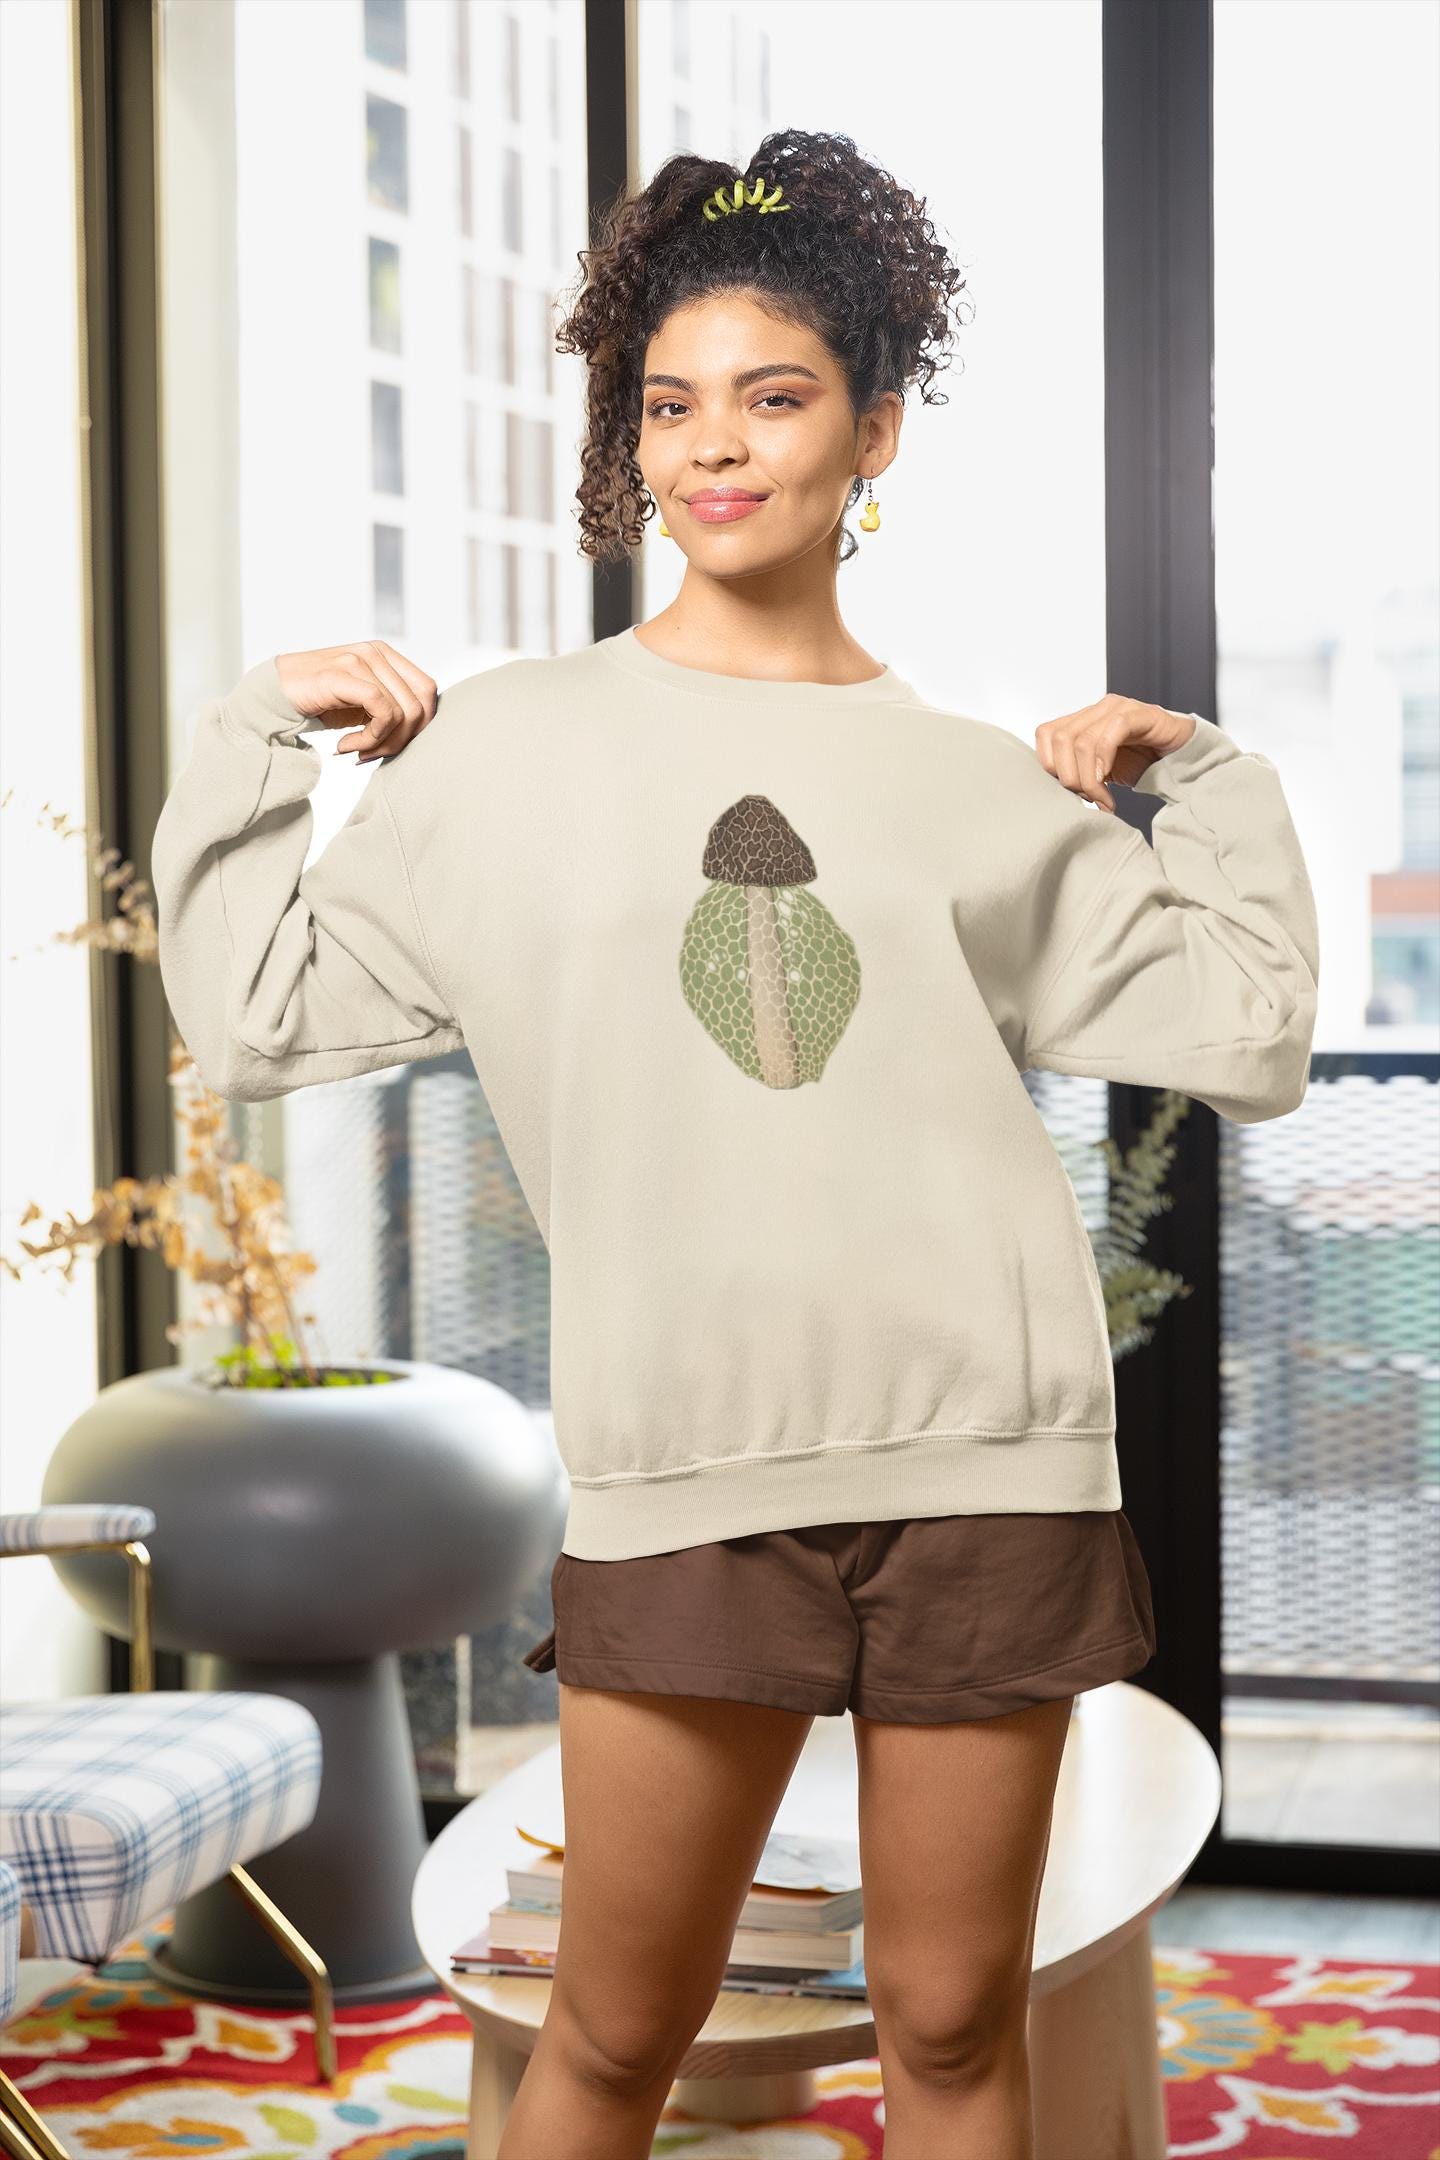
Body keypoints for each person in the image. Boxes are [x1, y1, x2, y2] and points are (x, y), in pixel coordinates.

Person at [151, 130, 1319, 2160]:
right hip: (686, 1471)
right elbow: (257, 1014)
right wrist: (255, 740)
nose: (714, 450)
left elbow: (1248, 1035)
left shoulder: (976, 785)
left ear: (873, 433)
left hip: (991, 1463)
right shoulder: (502, 753)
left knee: (956, 2028)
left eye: (773, 400)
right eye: (668, 406)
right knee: (613, 2029)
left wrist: (1197, 775)